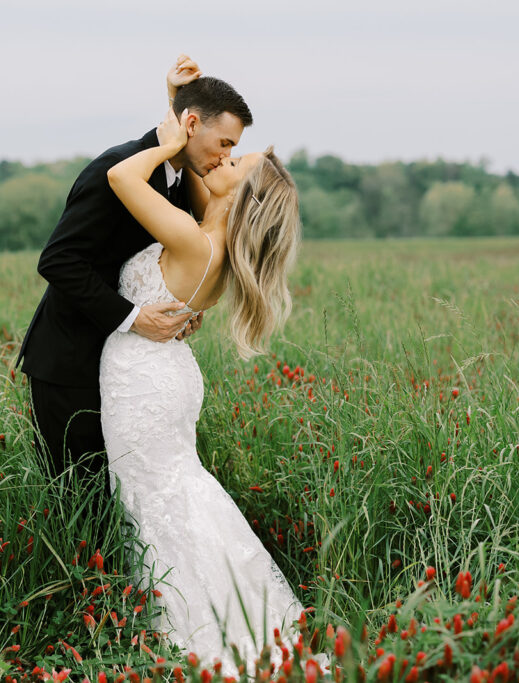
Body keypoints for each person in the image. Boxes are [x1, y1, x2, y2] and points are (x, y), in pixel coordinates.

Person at [16, 56, 254, 558]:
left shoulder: (176, 176)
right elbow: (57, 260)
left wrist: (176, 305)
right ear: (191, 125)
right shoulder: (116, 167)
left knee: (123, 503)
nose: (226, 155)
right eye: (225, 143)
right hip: (72, 363)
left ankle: (126, 608)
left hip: (130, 371)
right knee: (81, 506)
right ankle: (82, 610)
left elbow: (177, 257)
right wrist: (133, 316)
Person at [99, 91, 305, 669]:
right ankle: (212, 616)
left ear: (241, 195)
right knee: (172, 493)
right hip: (162, 376)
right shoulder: (211, 242)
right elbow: (187, 175)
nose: (221, 163)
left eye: (234, 165)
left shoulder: (195, 242)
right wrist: (179, 111)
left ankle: (188, 631)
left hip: (146, 380)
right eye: (227, 154)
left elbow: (121, 176)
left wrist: (166, 142)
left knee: (154, 499)